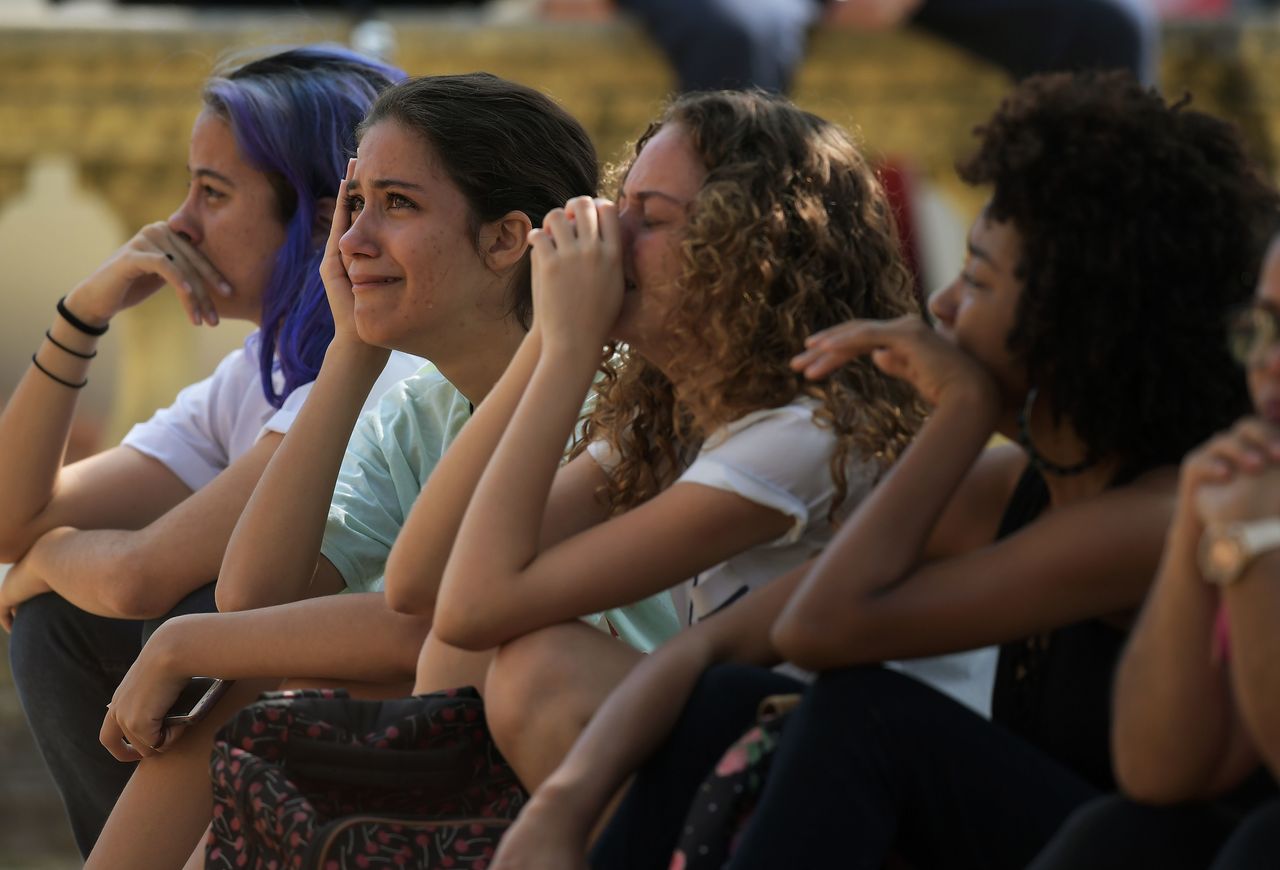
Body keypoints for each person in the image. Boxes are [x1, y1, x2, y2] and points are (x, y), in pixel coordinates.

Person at [487, 70, 1280, 870]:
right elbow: (716, 650)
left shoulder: (1152, 512)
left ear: (1075, 321)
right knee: (733, 696)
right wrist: (561, 808)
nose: (942, 310)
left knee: (864, 714)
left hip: (1138, 850)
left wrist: (966, 413)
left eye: (976, 281)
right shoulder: (1010, 491)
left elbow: (821, 629)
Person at [82, 72, 678, 870]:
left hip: (620, 749)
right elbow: (254, 594)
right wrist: (350, 351)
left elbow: (439, 624)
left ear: (506, 240)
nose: (354, 239)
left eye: (397, 203)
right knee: (248, 692)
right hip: (495, 733)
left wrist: (183, 644)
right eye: (354, 204)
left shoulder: (609, 391)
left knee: (258, 682)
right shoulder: (421, 410)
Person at [381, 87, 992, 799]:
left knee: (541, 672)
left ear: (749, 253)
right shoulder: (680, 418)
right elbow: (422, 584)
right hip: (770, 756)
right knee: (474, 660)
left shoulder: (806, 435)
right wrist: (548, 338)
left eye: (650, 218)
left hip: (872, 791)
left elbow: (474, 603)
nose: (610, 236)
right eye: (621, 204)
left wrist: (569, 347)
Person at [0, 46, 417, 857]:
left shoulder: (381, 366)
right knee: (54, 623)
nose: (176, 225)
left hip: (382, 726)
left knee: (192, 615)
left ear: (316, 212)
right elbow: (9, 516)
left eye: (214, 192)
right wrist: (82, 315)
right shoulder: (250, 375)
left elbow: (138, 574)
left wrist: (45, 556)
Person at [1027, 237, 1280, 869]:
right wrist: (1196, 527)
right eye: (1264, 326)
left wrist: (1251, 543)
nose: (1268, 361)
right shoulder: (1249, 488)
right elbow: (1155, 771)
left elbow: (825, 626)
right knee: (1123, 832)